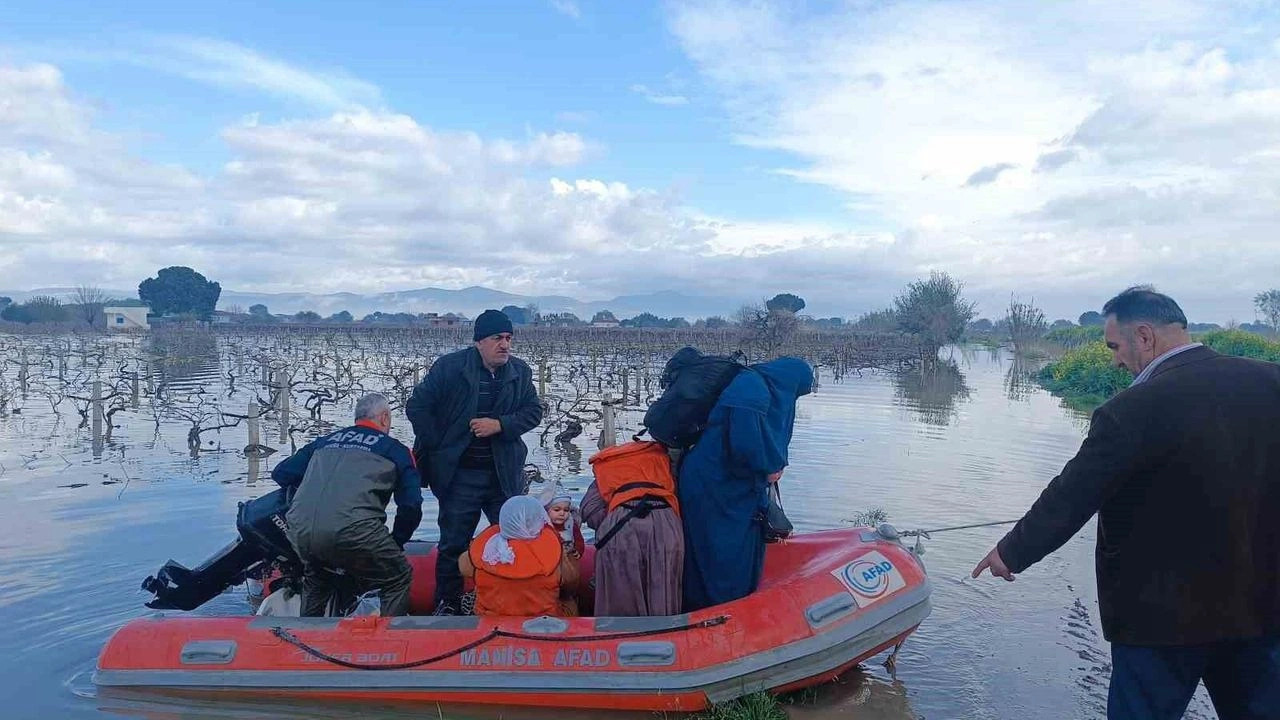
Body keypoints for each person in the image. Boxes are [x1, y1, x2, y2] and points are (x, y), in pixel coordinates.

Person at [971, 286, 1280, 720]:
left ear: (1145, 336)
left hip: (1160, 621)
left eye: (1115, 346)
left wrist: (1011, 552)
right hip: (1261, 609)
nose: (1115, 359)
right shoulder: (1272, 381)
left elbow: (1071, 496)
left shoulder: (1132, 409)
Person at [406, 309, 544, 616]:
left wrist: (501, 425)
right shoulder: (450, 368)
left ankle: (512, 602)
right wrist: (439, 445)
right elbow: (417, 407)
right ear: (479, 341)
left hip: (503, 475)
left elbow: (534, 412)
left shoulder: (519, 372)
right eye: (497, 338)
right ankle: (448, 605)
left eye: (508, 338)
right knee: (453, 543)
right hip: (460, 476)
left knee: (514, 540)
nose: (505, 345)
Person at [678, 357, 813, 612]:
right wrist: (767, 469)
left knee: (737, 545)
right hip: (713, 484)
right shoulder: (750, 392)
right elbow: (743, 446)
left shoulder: (761, 388)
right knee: (717, 548)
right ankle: (715, 608)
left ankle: (732, 602)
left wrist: (768, 467)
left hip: (733, 484)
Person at [272, 393, 422, 616]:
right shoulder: (396, 451)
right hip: (355, 532)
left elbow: (281, 474)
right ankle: (390, 642)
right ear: (384, 418)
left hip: (300, 530)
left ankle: (304, 638)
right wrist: (397, 541)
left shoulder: (324, 442)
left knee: (317, 577)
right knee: (398, 577)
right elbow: (411, 506)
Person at [581, 440, 684, 617]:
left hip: (621, 528)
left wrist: (612, 516)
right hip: (666, 526)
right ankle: (664, 637)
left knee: (621, 599)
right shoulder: (663, 462)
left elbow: (589, 510)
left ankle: (619, 638)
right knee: (663, 591)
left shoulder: (607, 465)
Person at [459, 495, 579, 617]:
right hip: (543, 620)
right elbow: (571, 585)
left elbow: (463, 568)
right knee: (569, 599)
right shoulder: (553, 548)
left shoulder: (486, 547)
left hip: (490, 618)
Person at [536, 481, 585, 559]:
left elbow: (579, 540)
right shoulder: (542, 526)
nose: (562, 513)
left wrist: (578, 550)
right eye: (557, 510)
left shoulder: (571, 523)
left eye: (566, 510)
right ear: (547, 511)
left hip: (568, 560)